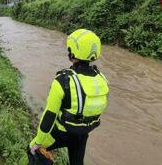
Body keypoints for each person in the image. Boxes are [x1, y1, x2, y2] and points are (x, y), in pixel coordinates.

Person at [29, 29, 109, 165]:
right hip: (82, 134)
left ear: (72, 53)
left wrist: (38, 141)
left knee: (33, 149)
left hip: (61, 133)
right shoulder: (102, 79)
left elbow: (49, 116)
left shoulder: (62, 80)